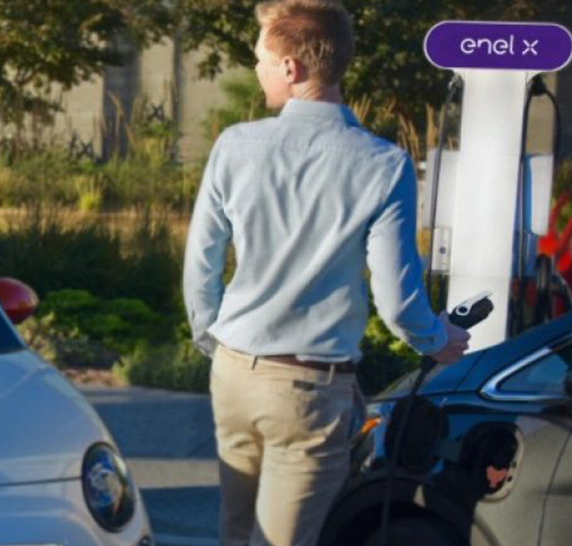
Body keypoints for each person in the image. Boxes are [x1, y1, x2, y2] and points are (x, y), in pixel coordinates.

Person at [181, 2, 471, 545]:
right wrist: (437, 340)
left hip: (233, 375)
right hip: (309, 391)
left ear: (292, 68)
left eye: (261, 59)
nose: (258, 69)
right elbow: (397, 300)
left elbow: (202, 263)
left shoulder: (234, 147)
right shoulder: (383, 164)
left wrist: (212, 341)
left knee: (236, 531)